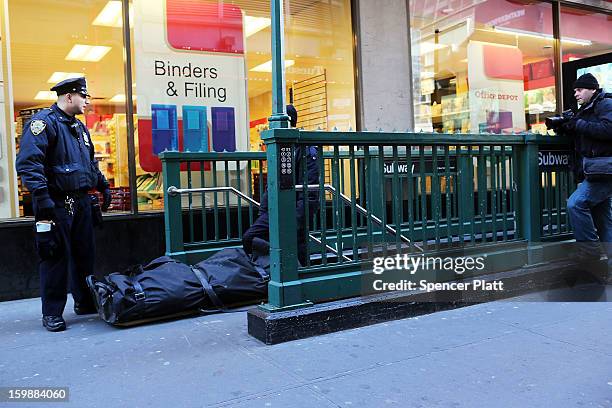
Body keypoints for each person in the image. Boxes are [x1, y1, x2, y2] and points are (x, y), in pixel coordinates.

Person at [16, 77, 111, 331]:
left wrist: (102, 185)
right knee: (55, 257)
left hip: (81, 202)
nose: (87, 102)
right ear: (69, 97)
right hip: (55, 204)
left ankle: (84, 302)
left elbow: (89, 163)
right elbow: (29, 164)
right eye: (83, 96)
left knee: (84, 255)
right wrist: (42, 199)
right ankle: (52, 313)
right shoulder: (42, 124)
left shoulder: (80, 128)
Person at [242, 105, 319, 266]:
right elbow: (272, 183)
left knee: (297, 250)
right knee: (251, 238)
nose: (272, 126)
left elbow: (310, 192)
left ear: (288, 122)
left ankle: (296, 278)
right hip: (275, 210)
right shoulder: (278, 148)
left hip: (292, 212)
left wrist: (295, 220)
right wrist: (264, 211)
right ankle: (267, 271)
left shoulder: (305, 150)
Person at [564, 73, 612, 281]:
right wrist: (566, 126)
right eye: (575, 90)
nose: (576, 93)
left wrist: (578, 124)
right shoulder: (586, 108)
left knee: (576, 203)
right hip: (595, 169)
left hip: (604, 170)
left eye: (579, 89)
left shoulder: (607, 103)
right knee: (604, 221)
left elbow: (608, 129)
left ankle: (590, 252)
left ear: (592, 89)